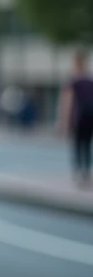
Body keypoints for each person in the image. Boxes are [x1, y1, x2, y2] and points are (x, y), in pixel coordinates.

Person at [57, 50, 93, 186]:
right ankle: (86, 172)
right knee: (87, 145)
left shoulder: (73, 81)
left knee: (77, 145)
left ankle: (79, 171)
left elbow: (68, 102)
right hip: (90, 118)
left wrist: (63, 122)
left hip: (78, 117)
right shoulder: (90, 80)